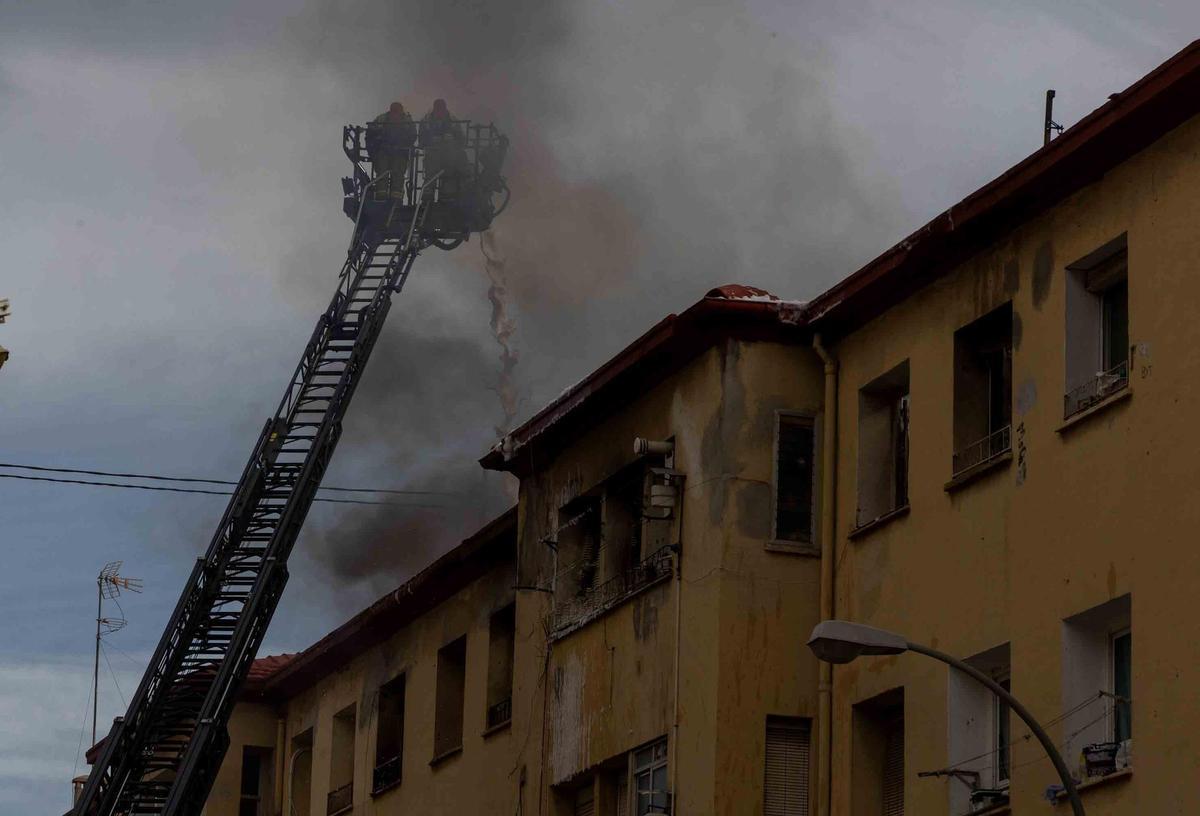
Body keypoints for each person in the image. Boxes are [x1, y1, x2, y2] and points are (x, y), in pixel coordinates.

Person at [419, 98, 468, 200]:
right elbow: (421, 140)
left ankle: (446, 196)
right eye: (438, 110)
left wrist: (451, 139)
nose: (440, 113)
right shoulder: (426, 121)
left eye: (442, 110)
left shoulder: (453, 121)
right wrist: (431, 140)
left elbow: (462, 141)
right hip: (432, 154)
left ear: (445, 109)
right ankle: (427, 198)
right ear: (434, 109)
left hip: (449, 156)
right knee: (430, 175)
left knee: (449, 174)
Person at [366, 102, 416, 201]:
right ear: (390, 111)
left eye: (397, 112)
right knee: (382, 171)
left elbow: (412, 136)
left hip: (400, 152)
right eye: (394, 111)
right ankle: (381, 195)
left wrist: (403, 143)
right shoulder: (381, 119)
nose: (395, 114)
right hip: (383, 152)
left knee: (398, 173)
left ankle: (396, 198)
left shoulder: (407, 121)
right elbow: (370, 135)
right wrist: (374, 151)